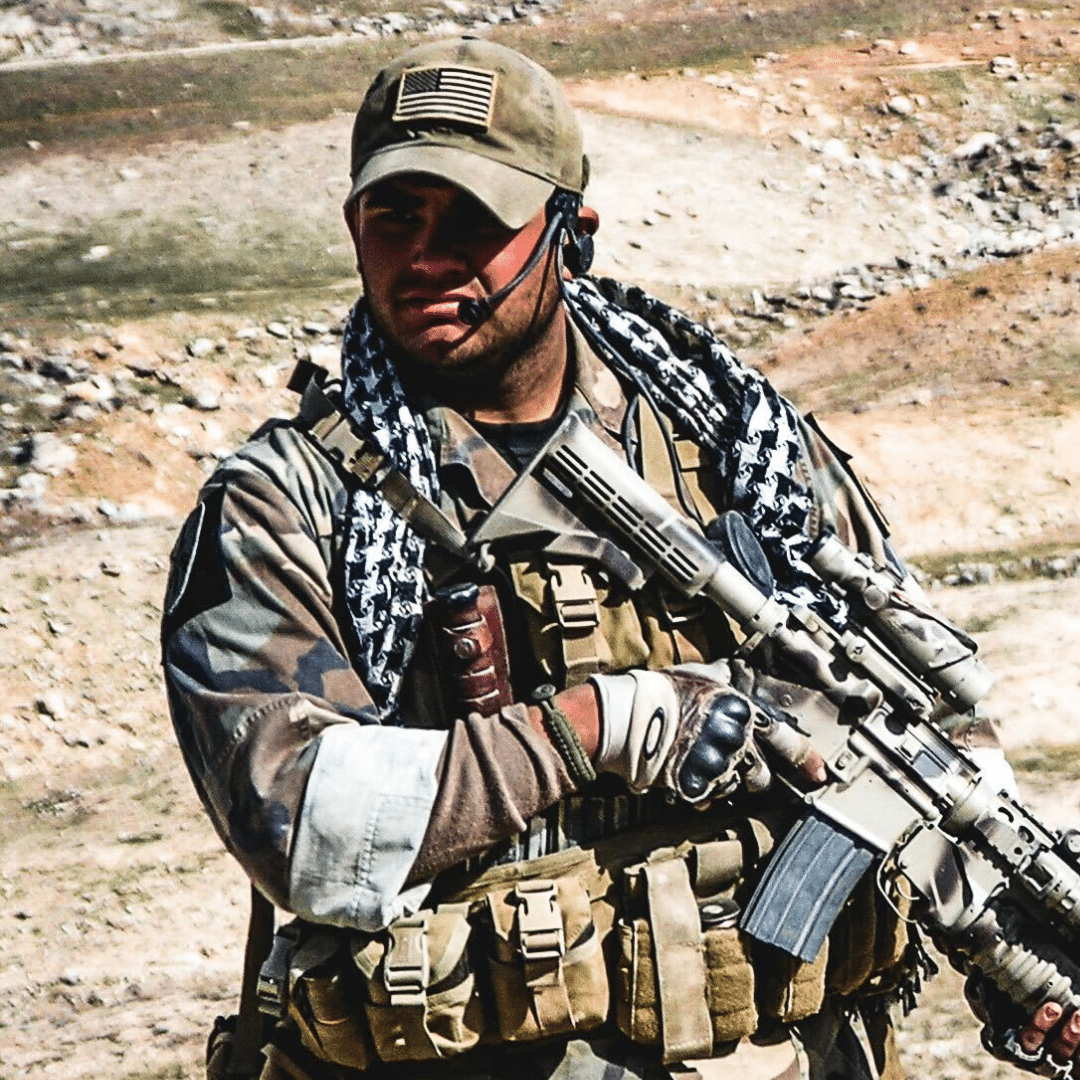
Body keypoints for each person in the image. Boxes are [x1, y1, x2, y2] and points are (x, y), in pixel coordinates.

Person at [161, 36, 1080, 1080]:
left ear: (572, 234)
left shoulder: (736, 442)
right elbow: (299, 823)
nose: (426, 258)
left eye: (475, 221)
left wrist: (1007, 951)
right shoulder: (290, 499)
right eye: (395, 217)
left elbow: (912, 717)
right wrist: (597, 729)